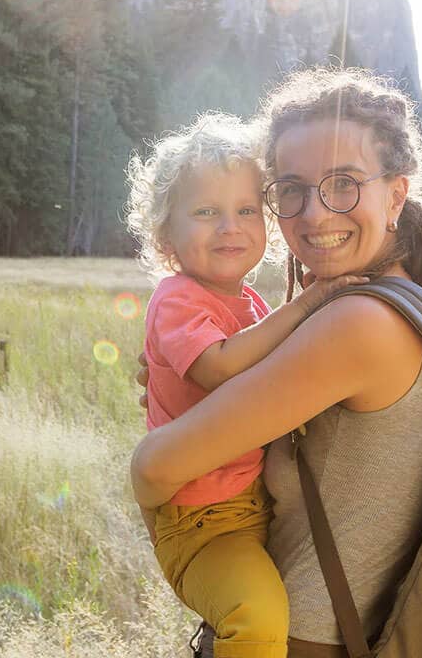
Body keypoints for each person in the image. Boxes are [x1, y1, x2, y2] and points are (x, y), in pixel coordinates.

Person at [131, 68, 422, 656]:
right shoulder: (410, 298)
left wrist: (178, 543)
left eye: (344, 183)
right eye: (293, 189)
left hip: (306, 638)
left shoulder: (356, 324)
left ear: (396, 194)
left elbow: (153, 468)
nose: (316, 214)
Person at [125, 112, 367, 658]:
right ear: (167, 237)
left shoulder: (250, 303)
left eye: (245, 210)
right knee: (254, 620)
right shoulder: (178, 297)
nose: (229, 226)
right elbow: (220, 366)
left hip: (249, 506)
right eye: (207, 212)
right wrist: (307, 304)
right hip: (202, 520)